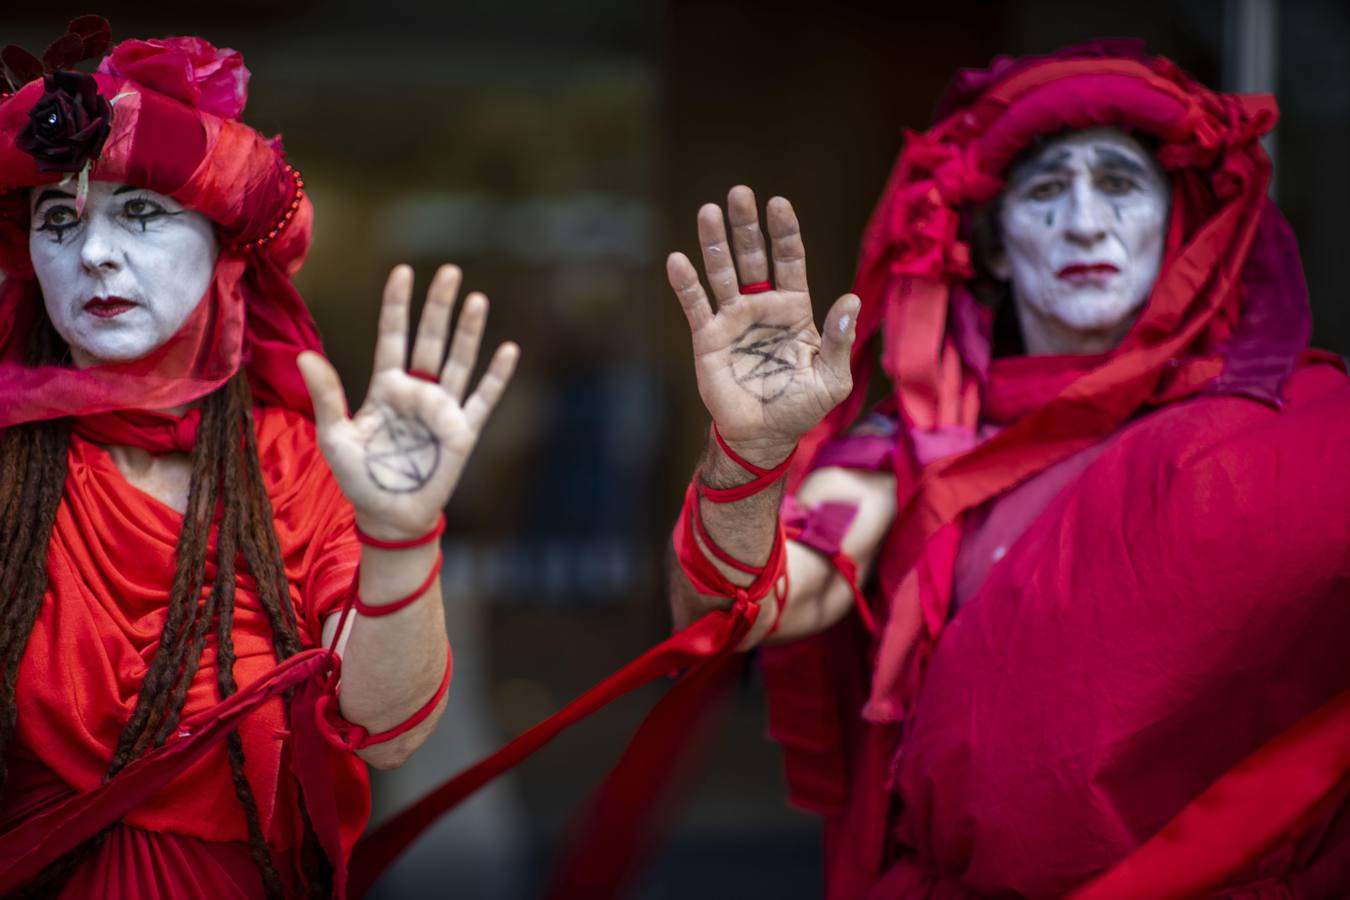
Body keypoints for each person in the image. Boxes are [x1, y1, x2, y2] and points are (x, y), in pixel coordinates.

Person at [666, 41, 1350, 897]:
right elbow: (743, 605)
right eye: (1045, 190)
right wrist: (750, 455)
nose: (1085, 222)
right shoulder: (915, 443)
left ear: (1177, 227)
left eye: (1121, 184)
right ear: (991, 247)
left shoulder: (1285, 428)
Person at [0, 24, 518, 897]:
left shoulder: (288, 463)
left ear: (227, 252)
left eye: (141, 211)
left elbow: (386, 733)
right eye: (60, 219)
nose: (91, 253)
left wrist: (400, 532)